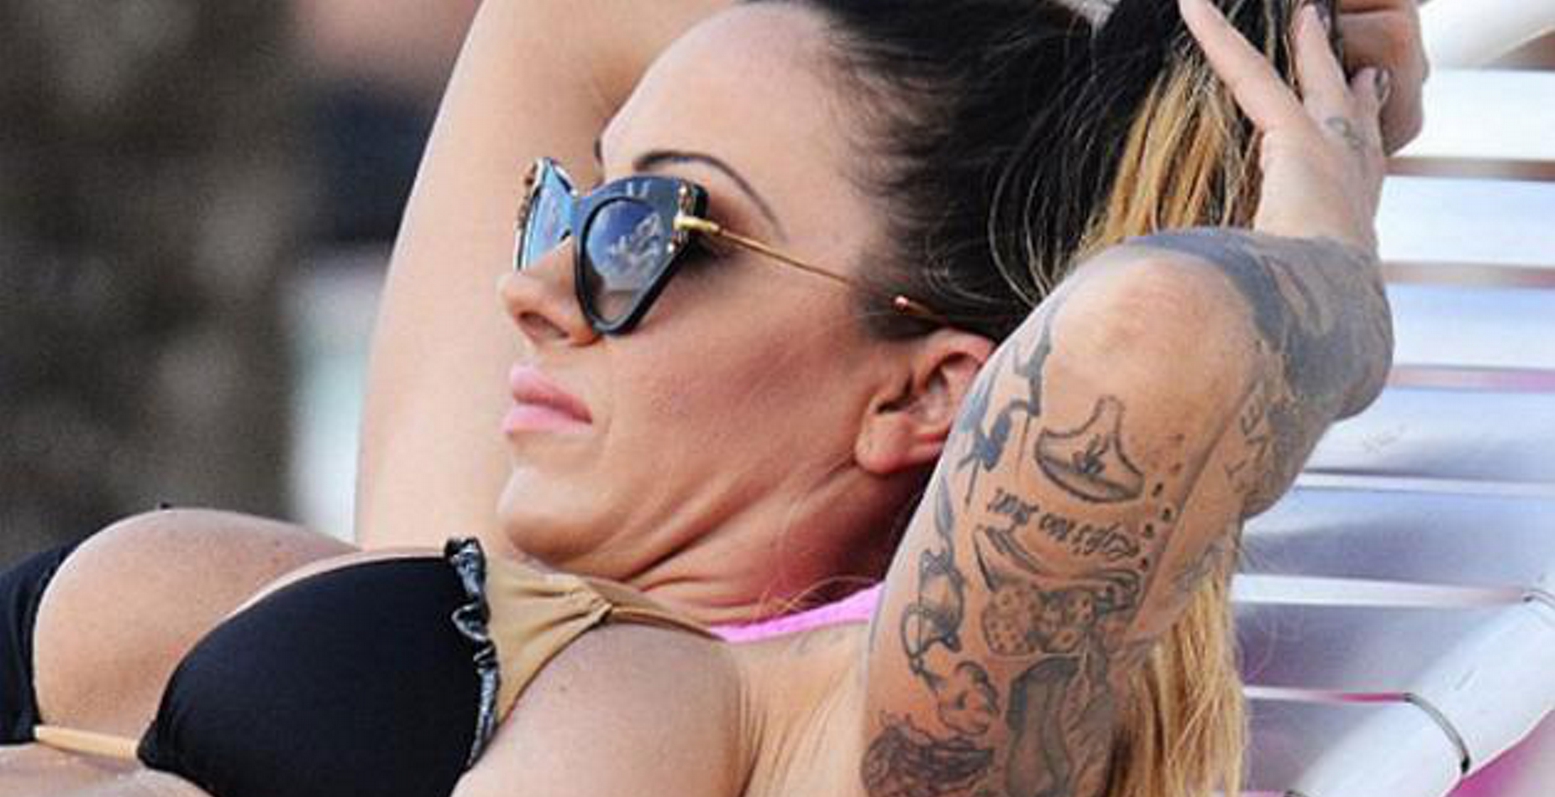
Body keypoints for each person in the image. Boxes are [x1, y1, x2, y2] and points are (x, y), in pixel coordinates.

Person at [1, 0, 1415, 795]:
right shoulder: (479, 563)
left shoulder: (833, 733)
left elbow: (1148, 337)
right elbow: (565, 19)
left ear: (927, 395)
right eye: (571, 207)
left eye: (650, 231)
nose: (535, 288)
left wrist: (1327, 263)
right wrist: (1128, 45)